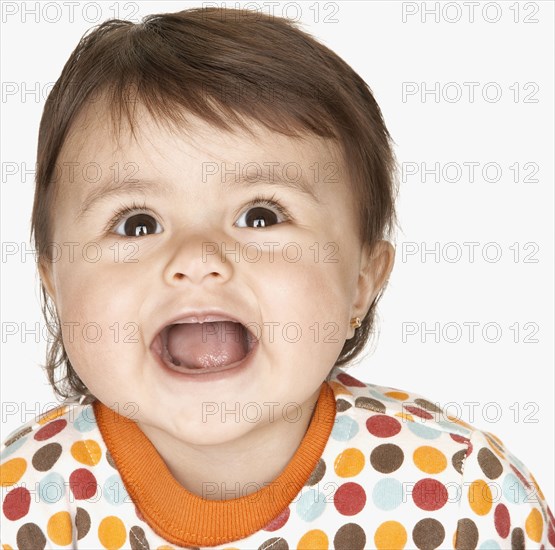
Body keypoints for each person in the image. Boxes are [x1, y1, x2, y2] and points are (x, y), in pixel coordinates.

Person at [1, 7, 553, 550]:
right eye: (137, 224)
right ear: (53, 281)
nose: (197, 257)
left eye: (260, 215)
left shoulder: (458, 495)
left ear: (362, 282)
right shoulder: (23, 497)